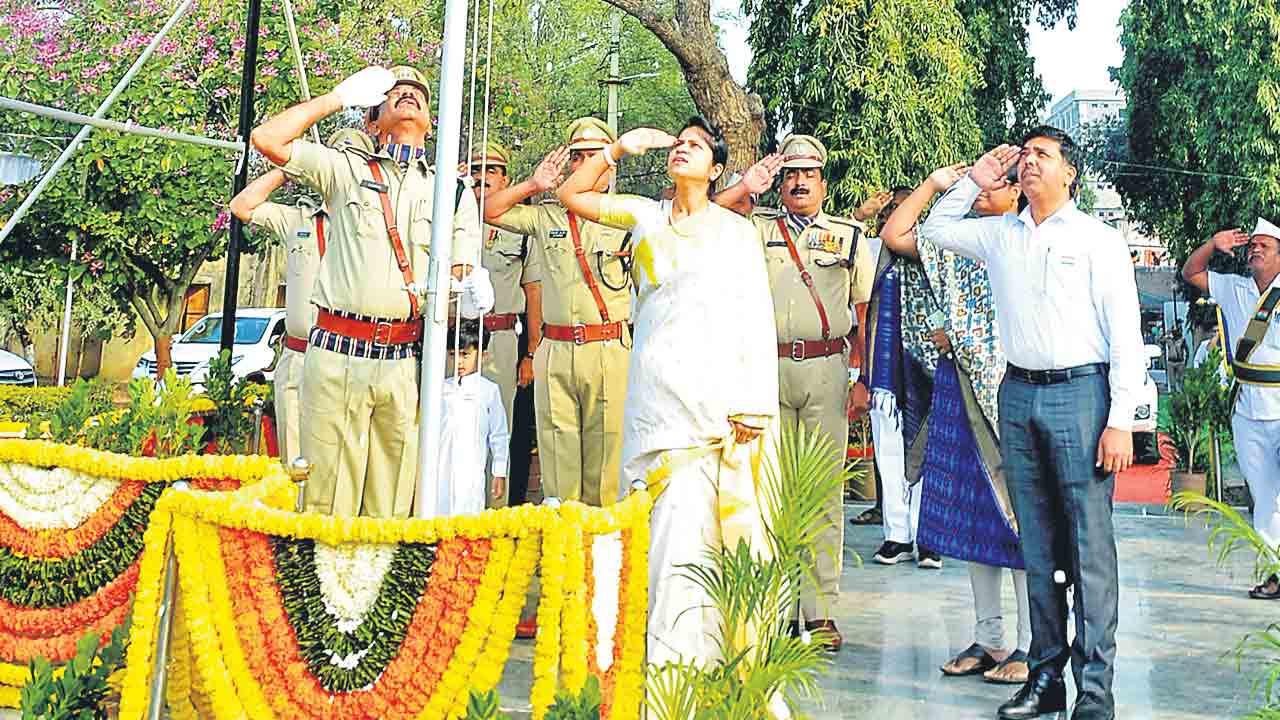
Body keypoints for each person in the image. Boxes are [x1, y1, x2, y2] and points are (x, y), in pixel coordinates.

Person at [921, 127, 1145, 720]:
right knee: (1038, 546)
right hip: (1018, 394)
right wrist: (973, 178)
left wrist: (1121, 420)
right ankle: (1045, 681)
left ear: (1070, 173)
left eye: (1042, 156)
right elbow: (934, 231)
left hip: (1081, 395)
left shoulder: (1097, 240)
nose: (1029, 165)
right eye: (1023, 156)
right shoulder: (1002, 235)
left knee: (1089, 550)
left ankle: (1095, 693)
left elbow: (1127, 335)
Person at [557, 117, 778, 669]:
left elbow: (755, 318)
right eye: (679, 144)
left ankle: (685, 675)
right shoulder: (645, 216)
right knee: (654, 549)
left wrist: (752, 403)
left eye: (697, 146)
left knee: (695, 548)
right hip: (651, 406)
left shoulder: (735, 232)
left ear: (717, 168)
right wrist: (615, 149)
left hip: (709, 414)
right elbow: (571, 194)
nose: (683, 150)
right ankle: (654, 672)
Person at [250, 65, 483, 518]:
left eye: (418, 93)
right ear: (373, 122)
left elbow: (462, 270)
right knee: (324, 500)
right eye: (395, 92)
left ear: (432, 121)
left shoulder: (451, 192)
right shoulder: (345, 170)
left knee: (390, 503)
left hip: (402, 362)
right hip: (338, 353)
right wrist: (336, 98)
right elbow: (268, 140)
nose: (408, 95)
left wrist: (466, 286)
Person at [714, 134, 876, 651]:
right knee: (768, 492)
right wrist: (747, 184)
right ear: (780, 183)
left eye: (808, 174)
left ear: (823, 182)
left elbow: (867, 316)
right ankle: (778, 609)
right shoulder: (754, 228)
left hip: (827, 366)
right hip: (766, 368)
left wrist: (864, 378)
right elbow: (705, 218)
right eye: (790, 175)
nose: (800, 182)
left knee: (823, 492)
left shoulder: (849, 237)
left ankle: (820, 610)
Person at [879, 162, 1031, 685]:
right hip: (961, 392)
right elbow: (895, 234)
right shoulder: (964, 242)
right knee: (971, 517)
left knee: (1019, 521)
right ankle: (990, 638)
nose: (987, 189)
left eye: (999, 181)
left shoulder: (1027, 243)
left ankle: (1033, 645)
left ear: (1018, 193)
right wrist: (936, 185)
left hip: (1013, 397)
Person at [482, 118, 631, 508]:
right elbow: (489, 211)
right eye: (577, 157)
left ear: (610, 164)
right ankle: (562, 559)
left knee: (607, 467)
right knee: (557, 463)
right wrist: (533, 186)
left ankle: (603, 559)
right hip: (557, 348)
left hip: (609, 347)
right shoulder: (547, 216)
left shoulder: (627, 214)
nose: (584, 165)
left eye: (594, 157)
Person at [229, 127, 374, 464]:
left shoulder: (375, 224)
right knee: (294, 462)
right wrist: (289, 167)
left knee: (342, 463)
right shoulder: (298, 218)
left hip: (348, 360)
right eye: (339, 159)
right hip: (298, 355)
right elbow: (242, 206)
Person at [1181, 218, 1280, 599]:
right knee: (1264, 494)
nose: (1254, 250)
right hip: (1247, 409)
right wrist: (1212, 243)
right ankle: (1275, 572)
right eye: (1251, 245)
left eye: (1264, 246)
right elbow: (1191, 271)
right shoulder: (1234, 287)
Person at [466, 141, 543, 508]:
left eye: (491, 170)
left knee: (499, 429)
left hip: (500, 340)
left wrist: (530, 354)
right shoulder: (446, 219)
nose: (482, 177)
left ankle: (493, 517)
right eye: (476, 169)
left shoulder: (521, 228)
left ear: (506, 178)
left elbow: (534, 294)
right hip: (452, 339)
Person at [428, 318, 508, 516]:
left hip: (471, 471)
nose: (459, 362)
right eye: (453, 355)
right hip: (439, 470)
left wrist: (499, 471)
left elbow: (499, 435)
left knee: (468, 517)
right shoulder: (441, 387)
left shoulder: (489, 391)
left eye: (465, 355)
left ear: (482, 356)